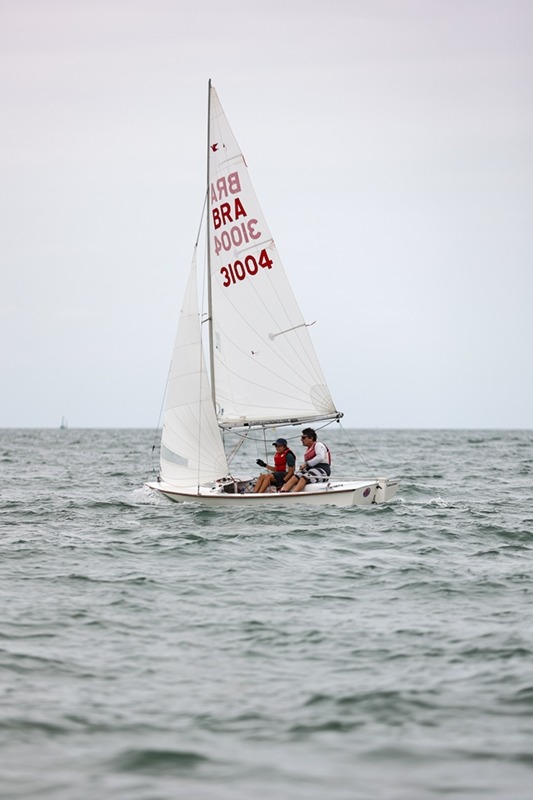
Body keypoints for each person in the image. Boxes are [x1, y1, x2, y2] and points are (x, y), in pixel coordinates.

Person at [280, 428, 331, 493]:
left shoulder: (318, 445)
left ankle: (293, 494)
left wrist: (306, 464)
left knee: (304, 477)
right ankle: (282, 492)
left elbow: (320, 457)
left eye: (303, 437)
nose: (301, 439)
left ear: (311, 438)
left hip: (323, 470)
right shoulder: (308, 450)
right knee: (295, 477)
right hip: (311, 469)